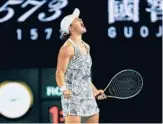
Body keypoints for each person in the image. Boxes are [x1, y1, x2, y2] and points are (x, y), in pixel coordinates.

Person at [56, 8, 107, 124]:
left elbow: (84, 76)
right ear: (70, 28)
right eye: (77, 19)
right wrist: (64, 89)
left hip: (88, 97)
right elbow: (59, 72)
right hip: (73, 97)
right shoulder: (67, 48)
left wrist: (94, 91)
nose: (81, 19)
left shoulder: (86, 46)